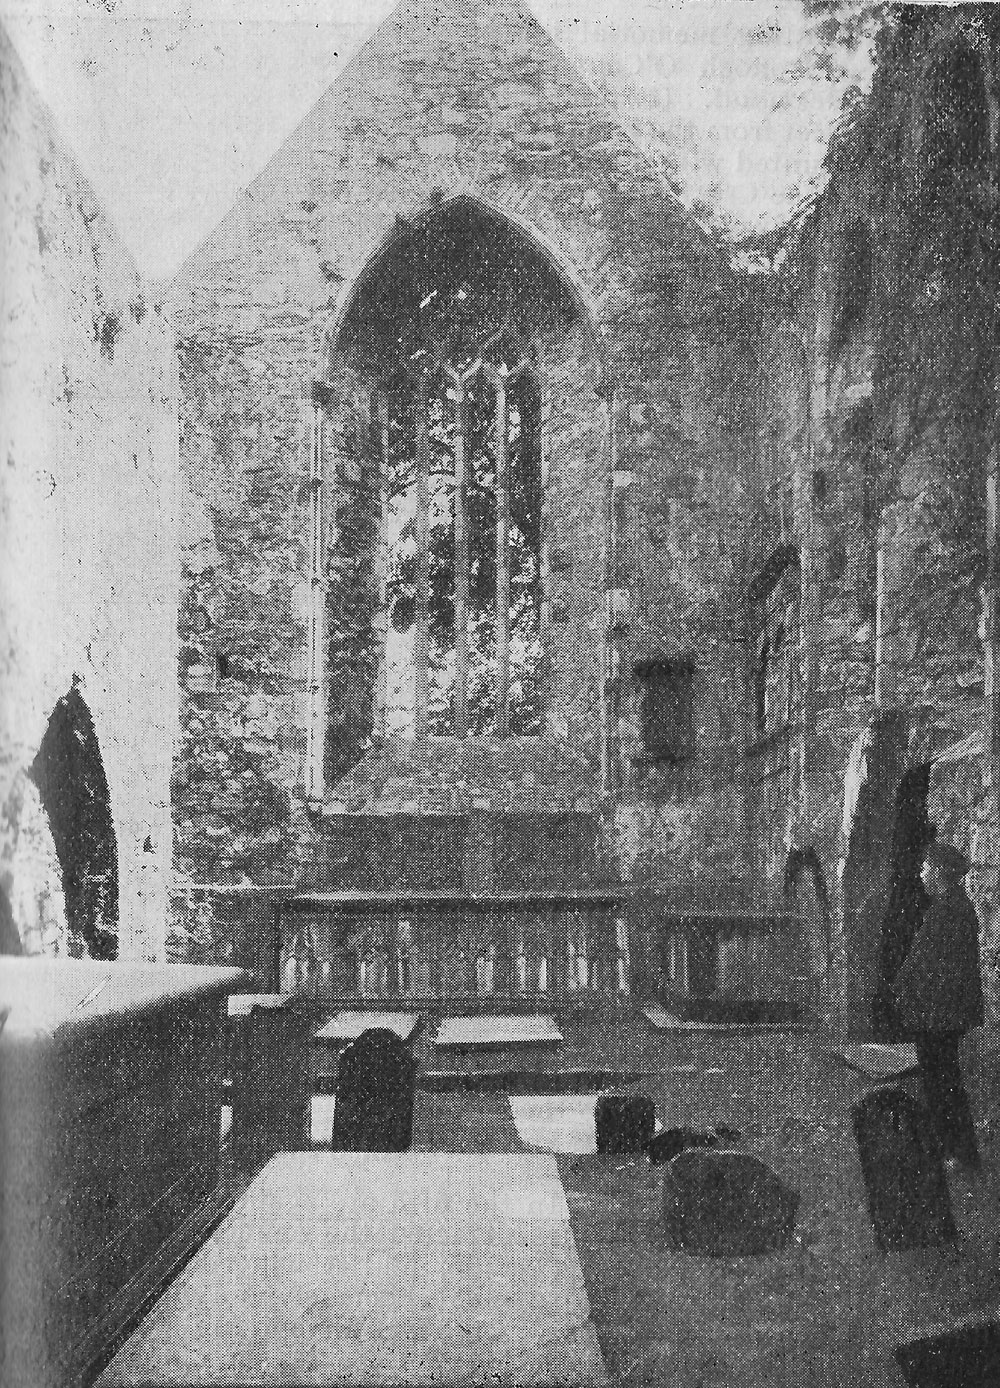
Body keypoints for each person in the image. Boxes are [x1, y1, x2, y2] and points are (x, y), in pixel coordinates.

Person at [892, 841, 984, 1170]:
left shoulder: (950, 911)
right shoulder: (952, 907)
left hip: (941, 1012)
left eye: (926, 868)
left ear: (940, 874)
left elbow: (934, 965)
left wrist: (906, 988)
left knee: (941, 1080)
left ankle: (955, 1150)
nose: (921, 874)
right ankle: (957, 1148)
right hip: (941, 1010)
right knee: (942, 1078)